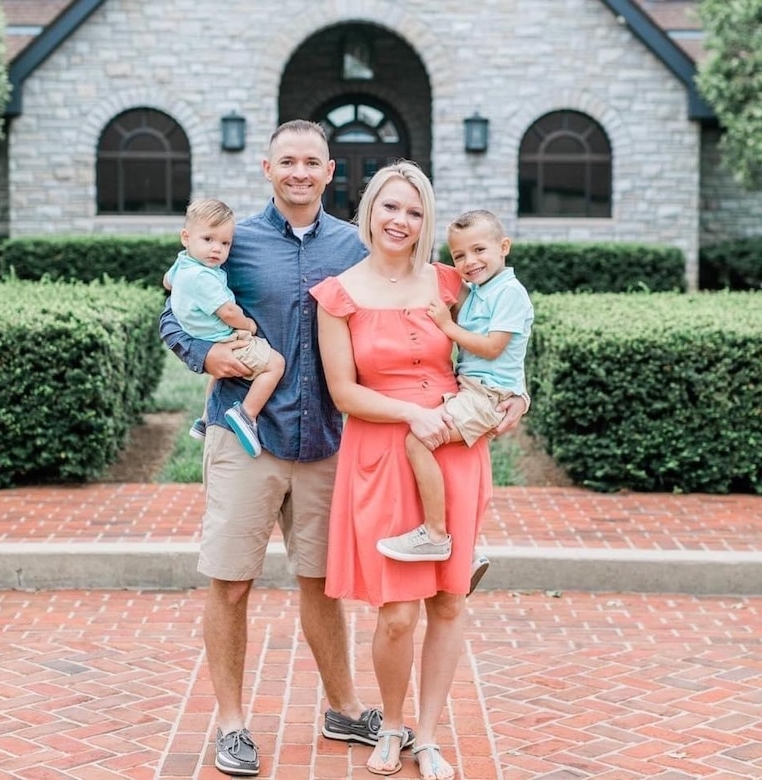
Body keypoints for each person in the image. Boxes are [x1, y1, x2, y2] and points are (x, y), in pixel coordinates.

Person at [160, 120, 422, 777]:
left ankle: (342, 708)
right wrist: (208, 353)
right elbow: (175, 313)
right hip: (245, 436)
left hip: (328, 439)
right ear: (266, 169)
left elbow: (400, 313)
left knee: (322, 583)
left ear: (331, 172)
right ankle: (232, 723)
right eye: (288, 161)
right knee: (229, 582)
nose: (300, 171)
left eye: (312, 161)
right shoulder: (232, 241)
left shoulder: (353, 245)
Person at [310, 162, 528, 779]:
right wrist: (411, 414)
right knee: (397, 612)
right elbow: (344, 394)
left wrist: (519, 395)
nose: (400, 221)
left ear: (424, 219)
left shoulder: (450, 282)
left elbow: (502, 343)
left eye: (412, 211)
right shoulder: (337, 296)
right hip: (382, 454)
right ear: (369, 211)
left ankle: (428, 735)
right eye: (389, 207)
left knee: (450, 603)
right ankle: (393, 723)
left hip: (454, 449)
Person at [375, 210, 533, 579]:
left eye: (479, 250)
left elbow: (494, 347)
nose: (469, 262)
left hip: (487, 396)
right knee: (442, 458)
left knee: (418, 442)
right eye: (459, 255)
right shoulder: (481, 290)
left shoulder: (509, 292)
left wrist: (446, 325)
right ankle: (467, 549)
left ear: (503, 247)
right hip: (474, 391)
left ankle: (435, 534)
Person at [164, 198, 285, 457]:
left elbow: (168, 282)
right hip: (225, 338)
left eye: (225, 243)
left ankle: (206, 418)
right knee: (275, 365)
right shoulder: (204, 277)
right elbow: (228, 312)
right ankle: (246, 414)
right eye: (208, 239)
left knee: (217, 374)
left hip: (205, 335)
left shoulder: (183, 264)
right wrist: (249, 324)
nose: (217, 249)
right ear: (186, 237)